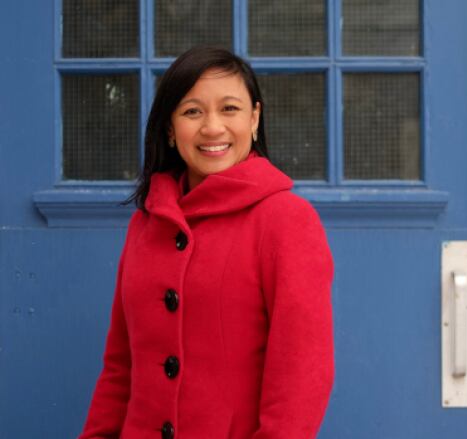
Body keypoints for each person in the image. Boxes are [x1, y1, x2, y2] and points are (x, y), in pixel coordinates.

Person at [78, 46, 335, 439]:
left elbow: (302, 375)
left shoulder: (286, 219)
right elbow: (120, 366)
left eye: (229, 109)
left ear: (255, 118)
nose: (212, 127)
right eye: (192, 111)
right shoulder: (145, 223)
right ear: (169, 127)